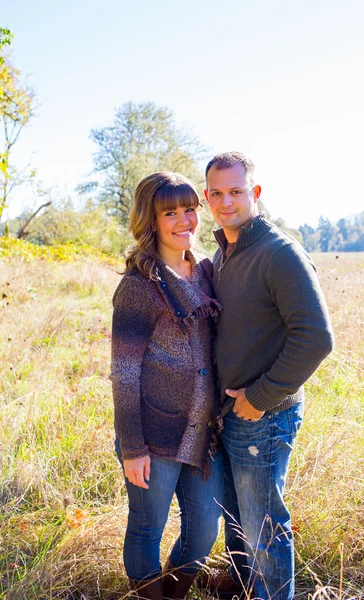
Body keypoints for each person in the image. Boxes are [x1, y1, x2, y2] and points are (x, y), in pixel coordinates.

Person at [202, 152, 334, 600]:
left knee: (264, 530)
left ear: (254, 194)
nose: (226, 201)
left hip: (265, 415)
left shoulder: (279, 253)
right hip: (230, 414)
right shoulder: (224, 253)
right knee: (238, 523)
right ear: (207, 197)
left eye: (236, 191)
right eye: (217, 193)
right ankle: (243, 590)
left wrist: (260, 396)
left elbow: (315, 337)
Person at [110, 172, 224, 600]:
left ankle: (174, 591)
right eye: (170, 213)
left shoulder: (207, 274)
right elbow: (124, 373)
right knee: (146, 527)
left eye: (190, 209)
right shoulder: (138, 287)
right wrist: (133, 447)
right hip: (152, 435)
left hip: (199, 434)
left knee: (202, 534)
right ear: (151, 221)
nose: (184, 221)